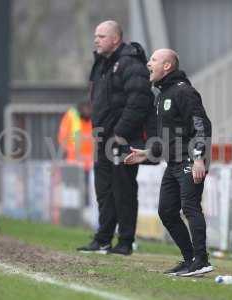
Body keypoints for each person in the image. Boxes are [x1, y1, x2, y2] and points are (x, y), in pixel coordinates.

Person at [125, 49, 214, 277]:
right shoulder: (161, 96)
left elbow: (202, 126)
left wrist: (198, 158)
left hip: (189, 160)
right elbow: (169, 136)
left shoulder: (185, 92)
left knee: (190, 208)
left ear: (167, 66)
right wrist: (147, 153)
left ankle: (202, 260)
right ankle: (189, 259)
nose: (148, 64)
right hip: (173, 163)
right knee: (166, 211)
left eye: (153, 60)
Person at [77, 20, 154, 255]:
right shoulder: (101, 63)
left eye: (101, 36)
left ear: (115, 39)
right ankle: (103, 238)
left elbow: (140, 100)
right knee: (104, 190)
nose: (96, 40)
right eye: (95, 35)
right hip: (103, 138)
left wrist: (120, 132)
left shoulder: (130, 63)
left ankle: (125, 241)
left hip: (122, 139)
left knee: (123, 190)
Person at [58, 101, 94, 171]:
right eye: (85, 108)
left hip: (93, 163)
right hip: (74, 162)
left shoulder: (97, 114)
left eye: (89, 108)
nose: (87, 111)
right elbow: (62, 138)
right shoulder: (71, 115)